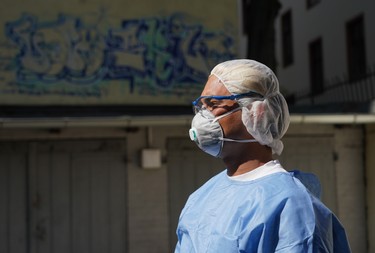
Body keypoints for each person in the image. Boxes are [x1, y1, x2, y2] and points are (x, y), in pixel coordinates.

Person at [175, 59, 351, 252]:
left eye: (214, 104)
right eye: (200, 106)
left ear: (256, 112)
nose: (202, 117)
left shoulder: (290, 204)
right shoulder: (200, 199)